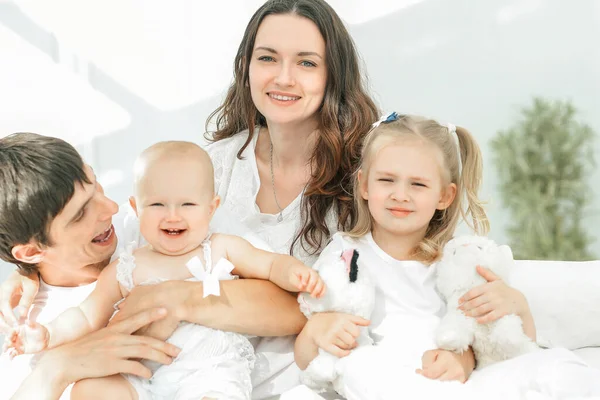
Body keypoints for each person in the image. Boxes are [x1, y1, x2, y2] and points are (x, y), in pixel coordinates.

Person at [0, 0, 380, 397]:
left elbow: (293, 304)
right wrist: (30, 274)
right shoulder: (209, 167)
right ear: (246, 66)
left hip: (292, 374)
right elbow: (131, 241)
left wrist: (177, 297)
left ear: (334, 71)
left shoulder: (373, 175)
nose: (284, 77)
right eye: (268, 58)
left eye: (306, 62)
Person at [294, 113, 600, 399]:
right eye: (387, 180)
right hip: (384, 379)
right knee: (359, 367)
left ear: (444, 196)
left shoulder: (459, 263)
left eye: (418, 184)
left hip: (458, 386)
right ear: (363, 184)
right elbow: (311, 361)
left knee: (558, 366)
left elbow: (510, 348)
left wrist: (515, 311)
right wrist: (315, 332)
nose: (400, 194)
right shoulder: (346, 256)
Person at [5, 141, 325, 400]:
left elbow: (297, 309)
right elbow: (85, 315)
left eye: (97, 187)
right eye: (80, 214)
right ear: (32, 252)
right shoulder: (19, 328)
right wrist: (54, 360)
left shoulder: (172, 223)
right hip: (141, 381)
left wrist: (176, 299)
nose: (111, 209)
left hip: (216, 372)